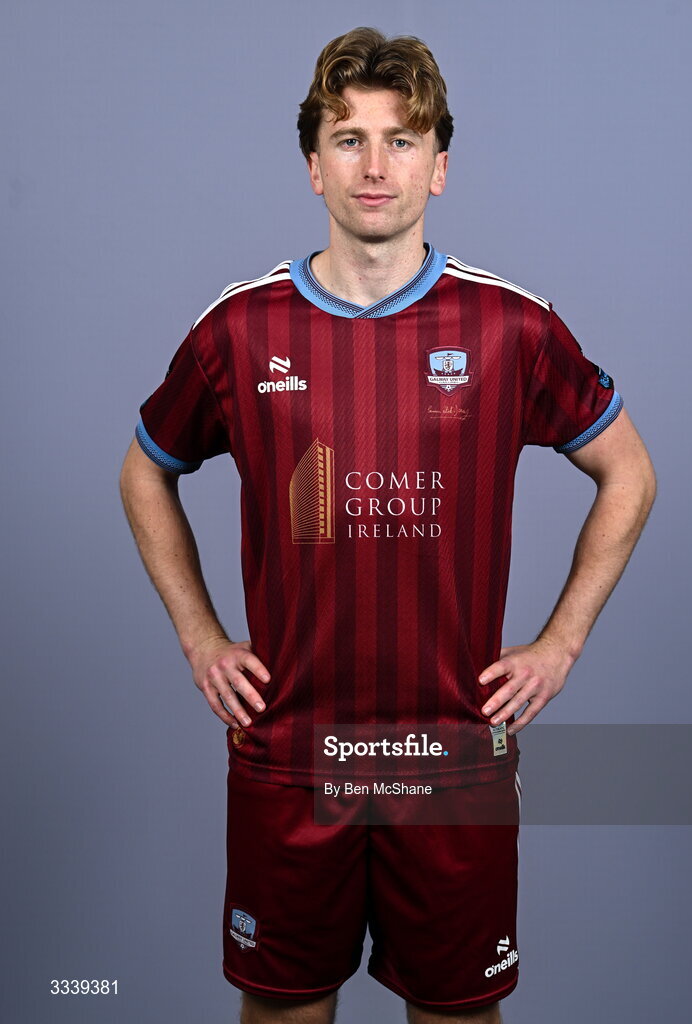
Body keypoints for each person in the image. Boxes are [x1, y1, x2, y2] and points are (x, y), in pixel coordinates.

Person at [119, 25, 656, 1024]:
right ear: (311, 165)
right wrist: (199, 636)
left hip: (449, 758)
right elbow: (145, 470)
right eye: (349, 138)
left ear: (438, 167)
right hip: (291, 750)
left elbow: (626, 470)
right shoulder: (239, 329)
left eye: (400, 140)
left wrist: (559, 643)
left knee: (455, 1012)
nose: (375, 165)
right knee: (285, 1009)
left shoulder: (508, 328)